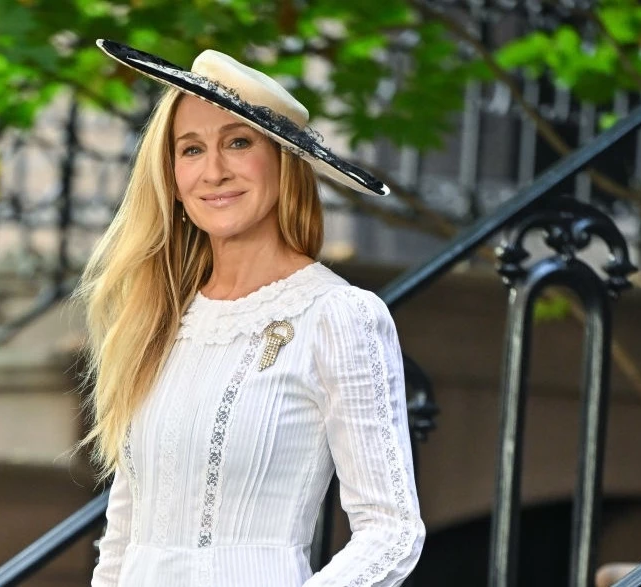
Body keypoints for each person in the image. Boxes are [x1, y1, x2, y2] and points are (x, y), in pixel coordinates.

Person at [78, 39, 424, 587]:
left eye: (238, 142)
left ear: (283, 162)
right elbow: (124, 534)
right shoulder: (160, 317)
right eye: (191, 149)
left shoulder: (338, 316)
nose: (213, 171)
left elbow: (392, 531)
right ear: (172, 177)